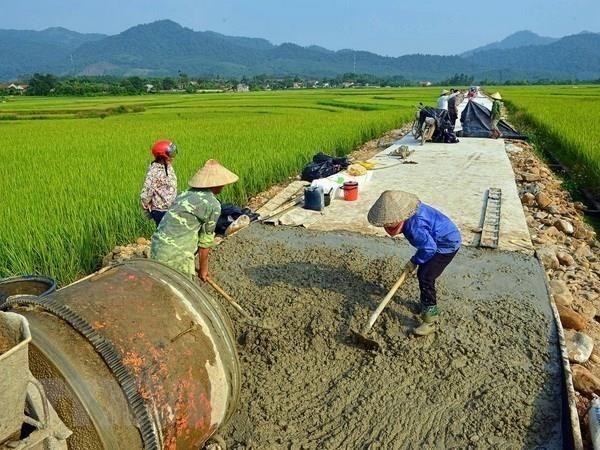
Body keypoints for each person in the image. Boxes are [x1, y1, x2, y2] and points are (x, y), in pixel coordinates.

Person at [367, 190, 461, 336]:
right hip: (435, 239)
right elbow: (427, 246)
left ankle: (430, 320)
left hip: (446, 244)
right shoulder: (411, 214)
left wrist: (414, 261)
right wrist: (417, 260)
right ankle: (425, 306)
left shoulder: (414, 228)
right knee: (423, 272)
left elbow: (429, 248)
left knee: (426, 277)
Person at [150, 159, 238, 281]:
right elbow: (205, 241)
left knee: (161, 287)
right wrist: (203, 270)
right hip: (177, 255)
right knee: (182, 292)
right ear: (215, 184)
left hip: (157, 248)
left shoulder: (185, 193)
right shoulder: (212, 204)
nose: (223, 186)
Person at [140, 139, 178, 226]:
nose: (172, 156)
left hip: (171, 208)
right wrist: (145, 205)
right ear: (162, 156)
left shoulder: (168, 167)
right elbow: (147, 191)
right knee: (165, 234)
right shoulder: (154, 172)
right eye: (170, 154)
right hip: (160, 210)